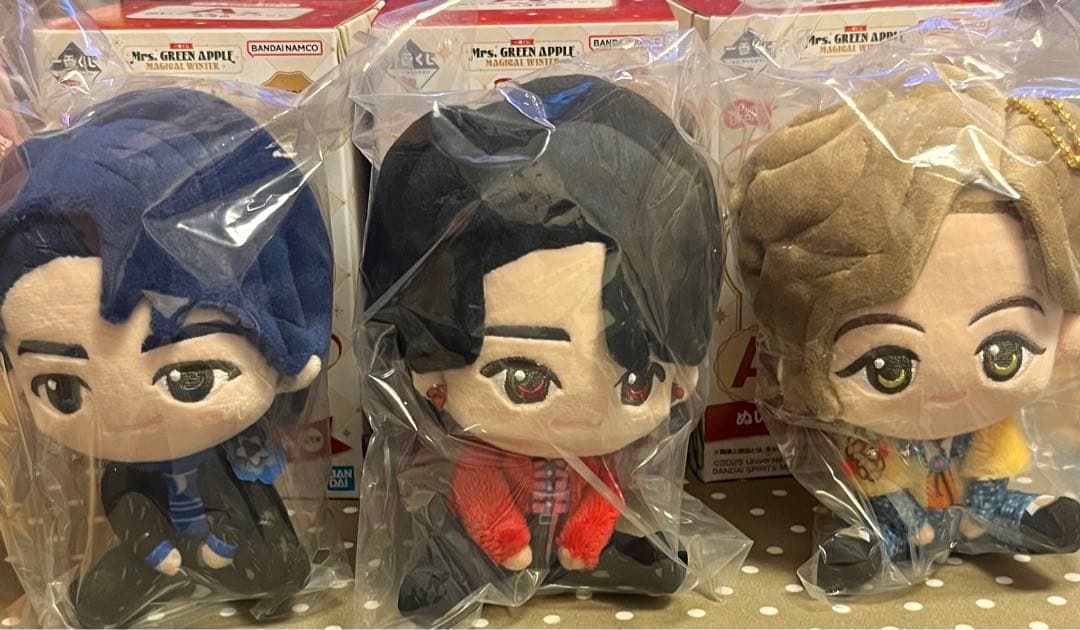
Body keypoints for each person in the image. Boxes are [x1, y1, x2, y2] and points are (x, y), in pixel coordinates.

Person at [361, 74, 723, 623]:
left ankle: (599, 563)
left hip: (572, 541)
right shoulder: (486, 454)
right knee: (465, 544)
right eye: (524, 379)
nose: (579, 416)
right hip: (501, 541)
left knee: (618, 542)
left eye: (636, 382)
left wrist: (585, 538)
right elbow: (478, 489)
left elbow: (604, 497)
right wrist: (504, 538)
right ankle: (471, 565)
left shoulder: (601, 461)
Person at [733, 65, 1080, 594]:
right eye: (886, 366)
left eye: (1004, 353)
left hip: (972, 464)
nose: (950, 383)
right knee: (886, 497)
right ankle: (879, 536)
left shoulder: (989, 417)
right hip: (886, 466)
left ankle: (993, 517)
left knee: (989, 478)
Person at [0, 88, 333, 627]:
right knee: (100, 600)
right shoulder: (124, 469)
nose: (127, 414)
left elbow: (257, 499)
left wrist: (228, 537)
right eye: (61, 388)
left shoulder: (237, 448)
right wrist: (153, 548)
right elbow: (124, 502)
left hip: (228, 538)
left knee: (278, 568)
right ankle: (159, 571)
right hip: (156, 552)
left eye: (191, 377)